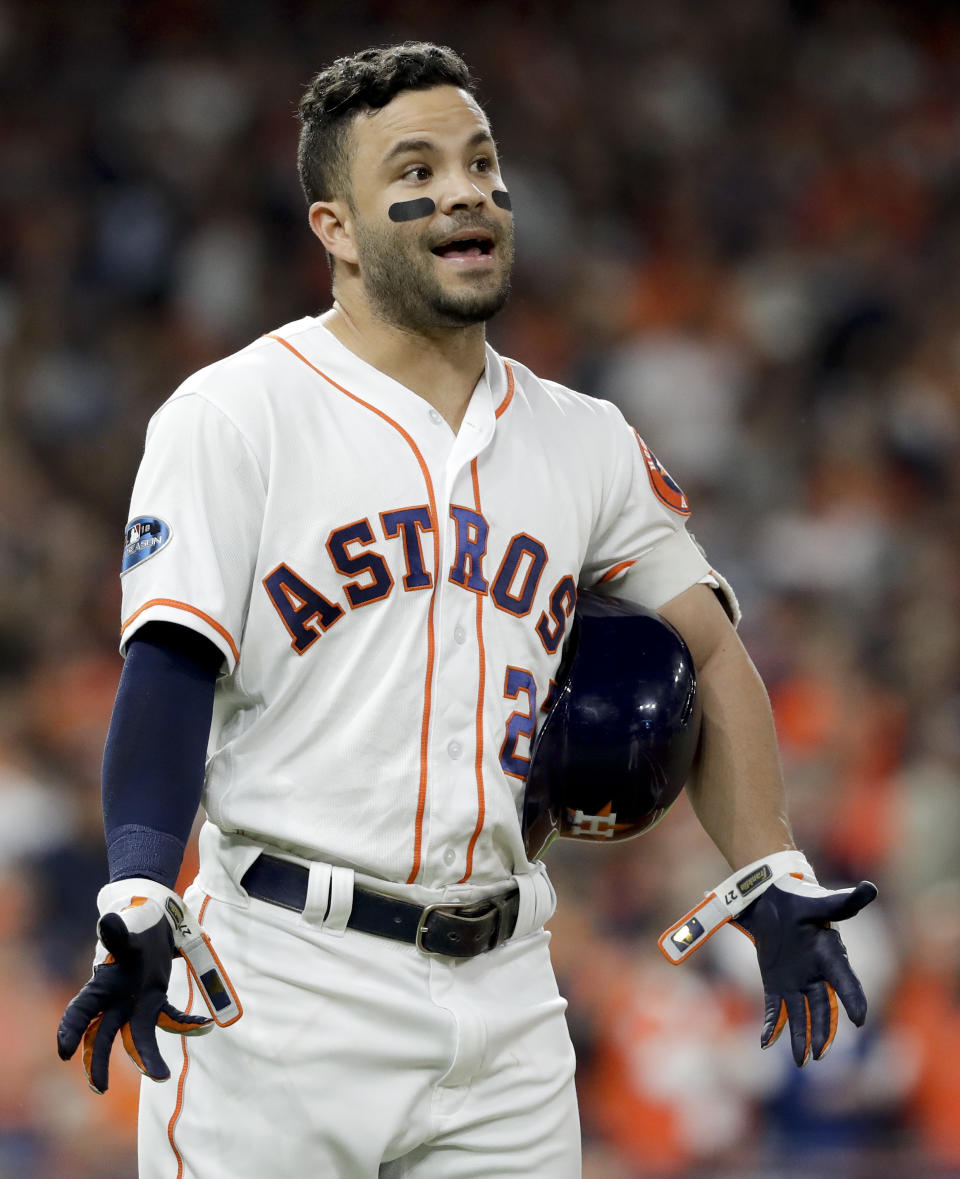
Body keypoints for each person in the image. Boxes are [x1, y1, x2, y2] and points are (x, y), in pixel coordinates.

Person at [56, 42, 875, 1179]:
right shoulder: (238, 414)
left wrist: (769, 867)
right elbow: (172, 660)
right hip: (286, 985)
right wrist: (139, 879)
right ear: (335, 227)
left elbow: (712, 653)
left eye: (482, 162)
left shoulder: (583, 439)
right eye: (417, 168)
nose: (465, 189)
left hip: (506, 992)